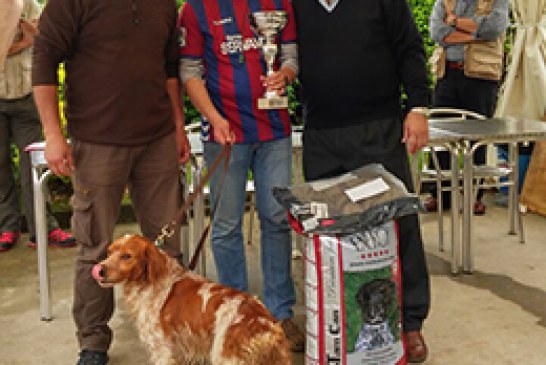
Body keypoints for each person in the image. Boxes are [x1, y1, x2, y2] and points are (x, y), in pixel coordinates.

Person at [31, 0, 191, 362]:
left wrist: (178, 126)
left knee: (167, 250)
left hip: (157, 139)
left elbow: (169, 70)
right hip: (97, 141)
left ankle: (174, 332)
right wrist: (53, 134)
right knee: (95, 246)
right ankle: (93, 343)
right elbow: (43, 60)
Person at [292, 0, 431, 362]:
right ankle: (334, 323)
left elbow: (410, 48)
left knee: (400, 223)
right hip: (321, 134)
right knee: (326, 234)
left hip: (378, 130)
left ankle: (411, 322)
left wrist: (418, 107)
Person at [178, 0, 305, 352]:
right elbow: (189, 71)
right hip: (223, 136)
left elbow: (292, 55)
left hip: (274, 132)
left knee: (277, 218)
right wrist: (214, 118)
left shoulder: (280, 4)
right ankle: (235, 315)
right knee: (226, 226)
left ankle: (280, 314)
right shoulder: (196, 8)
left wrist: (286, 75)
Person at [0, 0, 75, 253]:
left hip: (25, 93)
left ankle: (43, 228)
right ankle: (7, 227)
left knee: (32, 165)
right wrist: (23, 41)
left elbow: (42, 40)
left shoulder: (28, 5)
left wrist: (22, 40)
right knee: (0, 165)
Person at [426, 0, 510, 215]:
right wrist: (475, 34)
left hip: (481, 77)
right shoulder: (445, 1)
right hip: (447, 74)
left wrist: (455, 22)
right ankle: (439, 194)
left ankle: (475, 196)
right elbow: (437, 31)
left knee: (478, 139)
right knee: (440, 137)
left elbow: (494, 28)